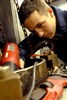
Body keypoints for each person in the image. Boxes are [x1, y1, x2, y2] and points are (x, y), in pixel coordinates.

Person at [18, 0, 67, 68]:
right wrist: (20, 59)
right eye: (33, 31)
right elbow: (23, 47)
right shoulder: (38, 34)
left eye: (40, 25)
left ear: (50, 12)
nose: (40, 34)